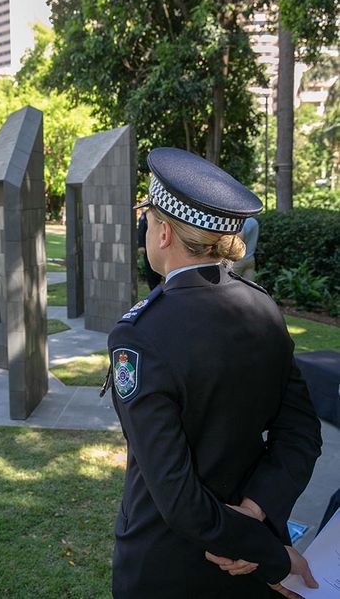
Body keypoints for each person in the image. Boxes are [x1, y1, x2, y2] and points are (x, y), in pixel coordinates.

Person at [102, 147, 322, 599]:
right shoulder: (262, 307)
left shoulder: (140, 335)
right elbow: (300, 432)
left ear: (163, 232)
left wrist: (268, 555)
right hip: (245, 562)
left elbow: (177, 496)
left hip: (166, 567)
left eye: (147, 216)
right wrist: (256, 515)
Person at [137, 209, 162, 290]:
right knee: (150, 269)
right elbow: (141, 230)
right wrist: (141, 245)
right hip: (147, 247)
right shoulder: (146, 215)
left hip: (157, 246)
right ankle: (153, 287)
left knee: (157, 269)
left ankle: (156, 286)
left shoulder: (157, 214)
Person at [232, 215, 259, 281]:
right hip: (250, 258)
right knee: (249, 287)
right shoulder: (253, 221)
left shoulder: (242, 221)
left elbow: (238, 241)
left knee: (231, 287)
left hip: (238, 260)